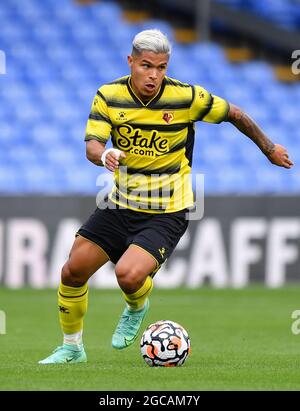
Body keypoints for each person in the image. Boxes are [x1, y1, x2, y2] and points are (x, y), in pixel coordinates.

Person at [39, 29, 293, 364]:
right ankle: (72, 348)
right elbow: (92, 145)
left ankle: (137, 304)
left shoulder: (186, 97)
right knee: (72, 271)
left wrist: (269, 148)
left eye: (161, 67)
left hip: (168, 210)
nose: (154, 75)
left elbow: (235, 114)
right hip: (119, 204)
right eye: (146, 66)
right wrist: (105, 156)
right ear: (131, 62)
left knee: (127, 275)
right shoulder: (109, 95)